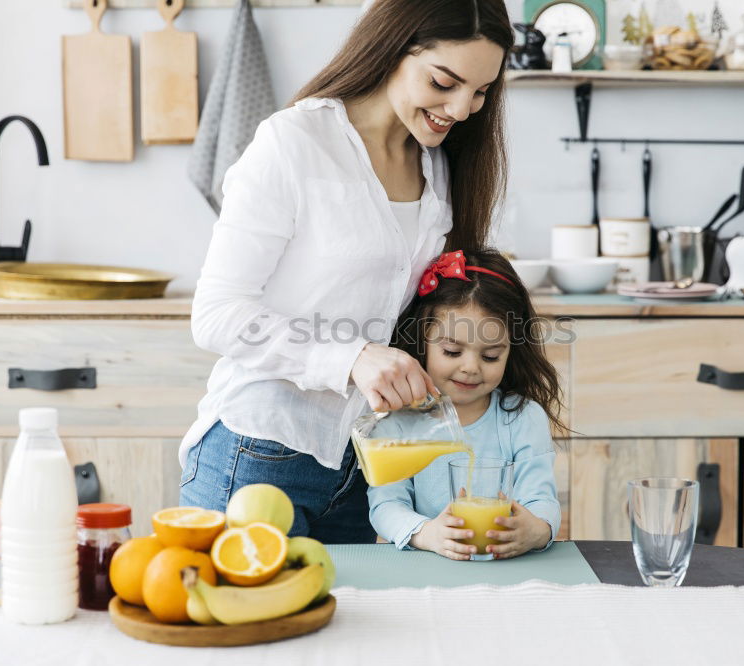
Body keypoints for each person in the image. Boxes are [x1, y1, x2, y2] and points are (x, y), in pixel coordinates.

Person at [178, 0, 514, 544]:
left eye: (479, 92)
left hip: (365, 468)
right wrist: (350, 357)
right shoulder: (295, 143)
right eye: (443, 82)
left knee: (346, 630)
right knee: (248, 626)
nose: (460, 108)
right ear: (394, 48)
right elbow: (216, 315)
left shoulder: (438, 165)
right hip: (258, 455)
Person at [368, 249, 568, 559]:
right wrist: (426, 533)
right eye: (451, 351)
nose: (471, 367)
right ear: (423, 339)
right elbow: (385, 505)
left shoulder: (523, 418)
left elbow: (541, 499)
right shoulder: (398, 420)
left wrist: (538, 530)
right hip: (429, 569)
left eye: (490, 356)